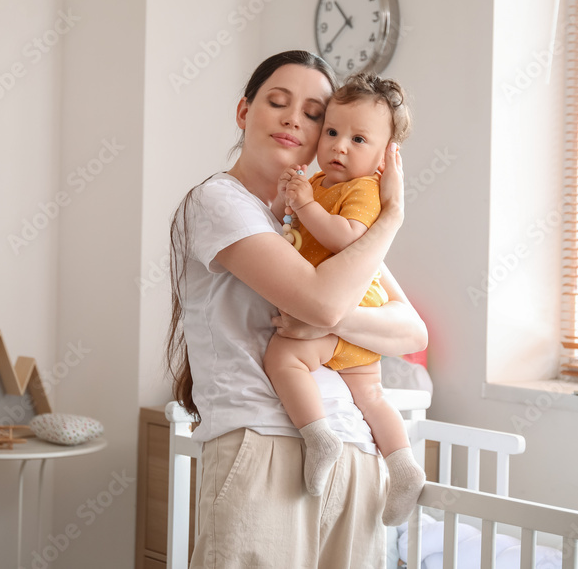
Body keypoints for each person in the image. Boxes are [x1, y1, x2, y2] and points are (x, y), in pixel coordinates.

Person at [166, 50, 428, 568]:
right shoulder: (220, 202)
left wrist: (330, 319)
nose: (294, 119)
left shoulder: (327, 220)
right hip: (265, 446)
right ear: (244, 112)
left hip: (356, 453)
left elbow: (411, 331)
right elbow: (322, 301)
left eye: (313, 113)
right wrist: (391, 219)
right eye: (277, 103)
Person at [264, 72, 425, 527]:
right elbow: (283, 230)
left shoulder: (364, 192)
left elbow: (348, 238)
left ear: (383, 159)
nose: (338, 146)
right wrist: (285, 200)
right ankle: (403, 466)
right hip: (351, 322)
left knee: (283, 358)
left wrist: (306, 206)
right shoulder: (315, 184)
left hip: (353, 309)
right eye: (332, 132)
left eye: (358, 138)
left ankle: (318, 437)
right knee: (371, 397)